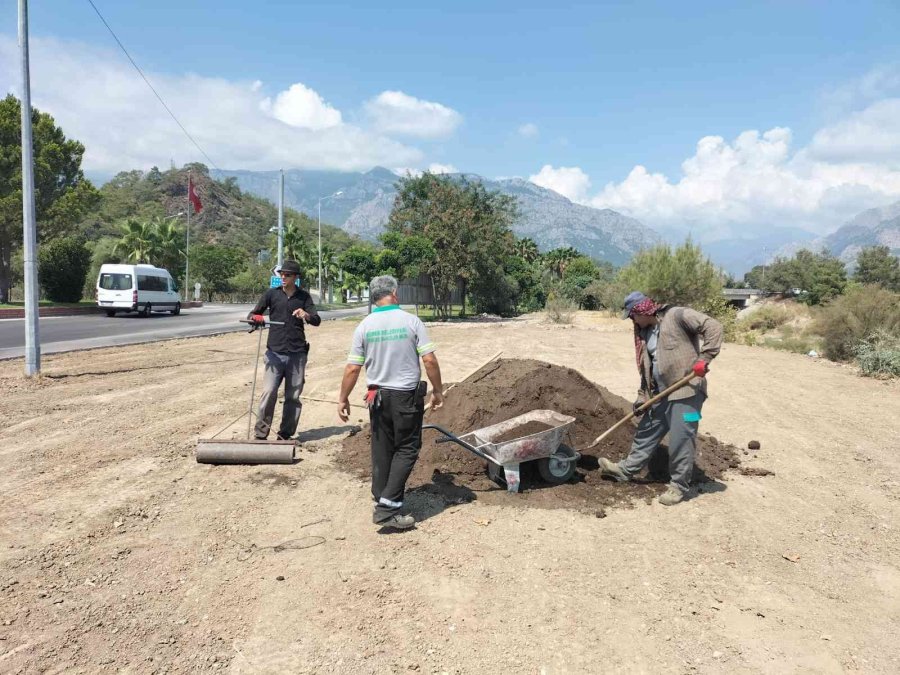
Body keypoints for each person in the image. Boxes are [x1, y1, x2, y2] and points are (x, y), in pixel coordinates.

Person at [337, 275, 444, 530]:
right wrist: (438, 390)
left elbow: (353, 368)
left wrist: (342, 398)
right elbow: (429, 360)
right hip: (404, 396)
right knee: (407, 448)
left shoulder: (364, 325)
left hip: (377, 397)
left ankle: (381, 493)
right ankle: (388, 507)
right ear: (394, 293)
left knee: (383, 446)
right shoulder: (411, 321)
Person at [599, 291, 723, 505]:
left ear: (641, 310)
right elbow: (647, 371)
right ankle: (625, 470)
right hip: (661, 394)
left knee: (682, 438)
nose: (632, 320)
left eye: (632, 315)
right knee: (647, 429)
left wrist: (705, 358)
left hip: (688, 392)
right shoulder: (645, 334)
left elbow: (714, 326)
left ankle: (678, 486)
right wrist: (642, 397)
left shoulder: (677, 316)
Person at [247, 259, 321, 440]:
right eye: (282, 274)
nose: (283, 277)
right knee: (269, 392)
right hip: (275, 353)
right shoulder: (271, 294)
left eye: (287, 275)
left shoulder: (304, 297)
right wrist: (256, 319)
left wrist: (306, 315)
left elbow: (317, 320)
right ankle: (261, 433)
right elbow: (252, 314)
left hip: (297, 354)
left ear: (295, 277)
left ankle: (285, 435)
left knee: (293, 396)